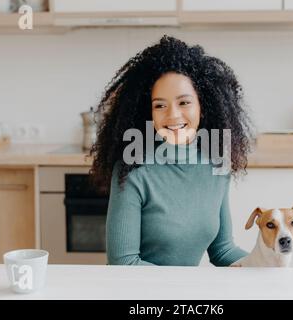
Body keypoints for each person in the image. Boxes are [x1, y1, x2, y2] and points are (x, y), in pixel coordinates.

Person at [90, 35, 254, 266]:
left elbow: (223, 250)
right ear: (149, 113)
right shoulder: (133, 169)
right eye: (160, 105)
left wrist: (261, 265)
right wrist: (187, 287)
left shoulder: (217, 165)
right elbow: (124, 263)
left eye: (184, 102)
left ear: (203, 106)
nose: (173, 115)